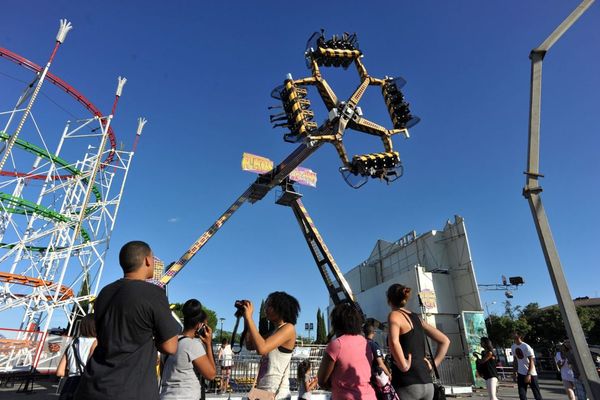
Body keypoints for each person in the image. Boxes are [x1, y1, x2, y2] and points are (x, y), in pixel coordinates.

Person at [75, 241, 181, 400]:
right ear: (147, 260)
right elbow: (170, 346)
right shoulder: (153, 293)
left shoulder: (105, 292)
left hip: (92, 386)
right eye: (153, 258)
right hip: (130, 388)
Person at [387, 283, 450, 400]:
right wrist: (433, 364)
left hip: (407, 383)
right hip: (427, 383)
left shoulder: (394, 315)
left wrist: (404, 365)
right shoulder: (417, 318)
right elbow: (445, 341)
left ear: (389, 300)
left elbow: (394, 342)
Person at [240, 291, 300, 399]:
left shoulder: (289, 328)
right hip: (263, 391)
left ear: (281, 309)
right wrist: (246, 318)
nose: (266, 309)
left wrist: (249, 318)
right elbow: (249, 344)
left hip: (277, 393)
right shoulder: (274, 332)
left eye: (270, 305)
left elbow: (262, 348)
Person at [317, 302, 376, 400]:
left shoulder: (336, 345)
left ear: (336, 323)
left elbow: (322, 381)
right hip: (369, 396)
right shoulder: (365, 343)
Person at [160, 299, 216, 400]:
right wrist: (208, 344)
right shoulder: (193, 345)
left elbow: (163, 373)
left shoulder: (170, 342)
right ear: (199, 325)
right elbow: (211, 375)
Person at [56, 314, 97, 400]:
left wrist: (73, 373)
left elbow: (59, 372)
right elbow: (92, 369)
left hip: (68, 386)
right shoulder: (96, 342)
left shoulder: (72, 343)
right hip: (84, 387)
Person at [511, 331, 543, 400]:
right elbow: (515, 360)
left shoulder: (526, 346)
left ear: (519, 336)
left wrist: (529, 374)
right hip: (520, 373)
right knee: (522, 394)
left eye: (514, 333)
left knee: (536, 394)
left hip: (531, 374)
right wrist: (514, 372)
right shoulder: (513, 346)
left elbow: (532, 361)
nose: (512, 334)